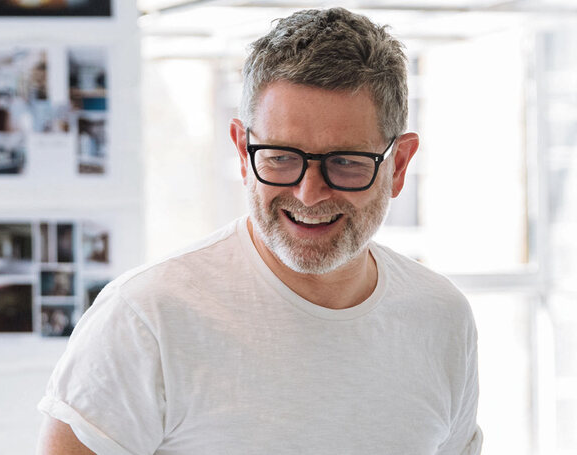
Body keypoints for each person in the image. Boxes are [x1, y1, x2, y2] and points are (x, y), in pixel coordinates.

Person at [37, 7, 482, 454]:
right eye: (280, 157)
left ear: (399, 165)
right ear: (242, 150)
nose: (309, 195)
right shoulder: (146, 317)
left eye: (345, 163)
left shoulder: (442, 319)